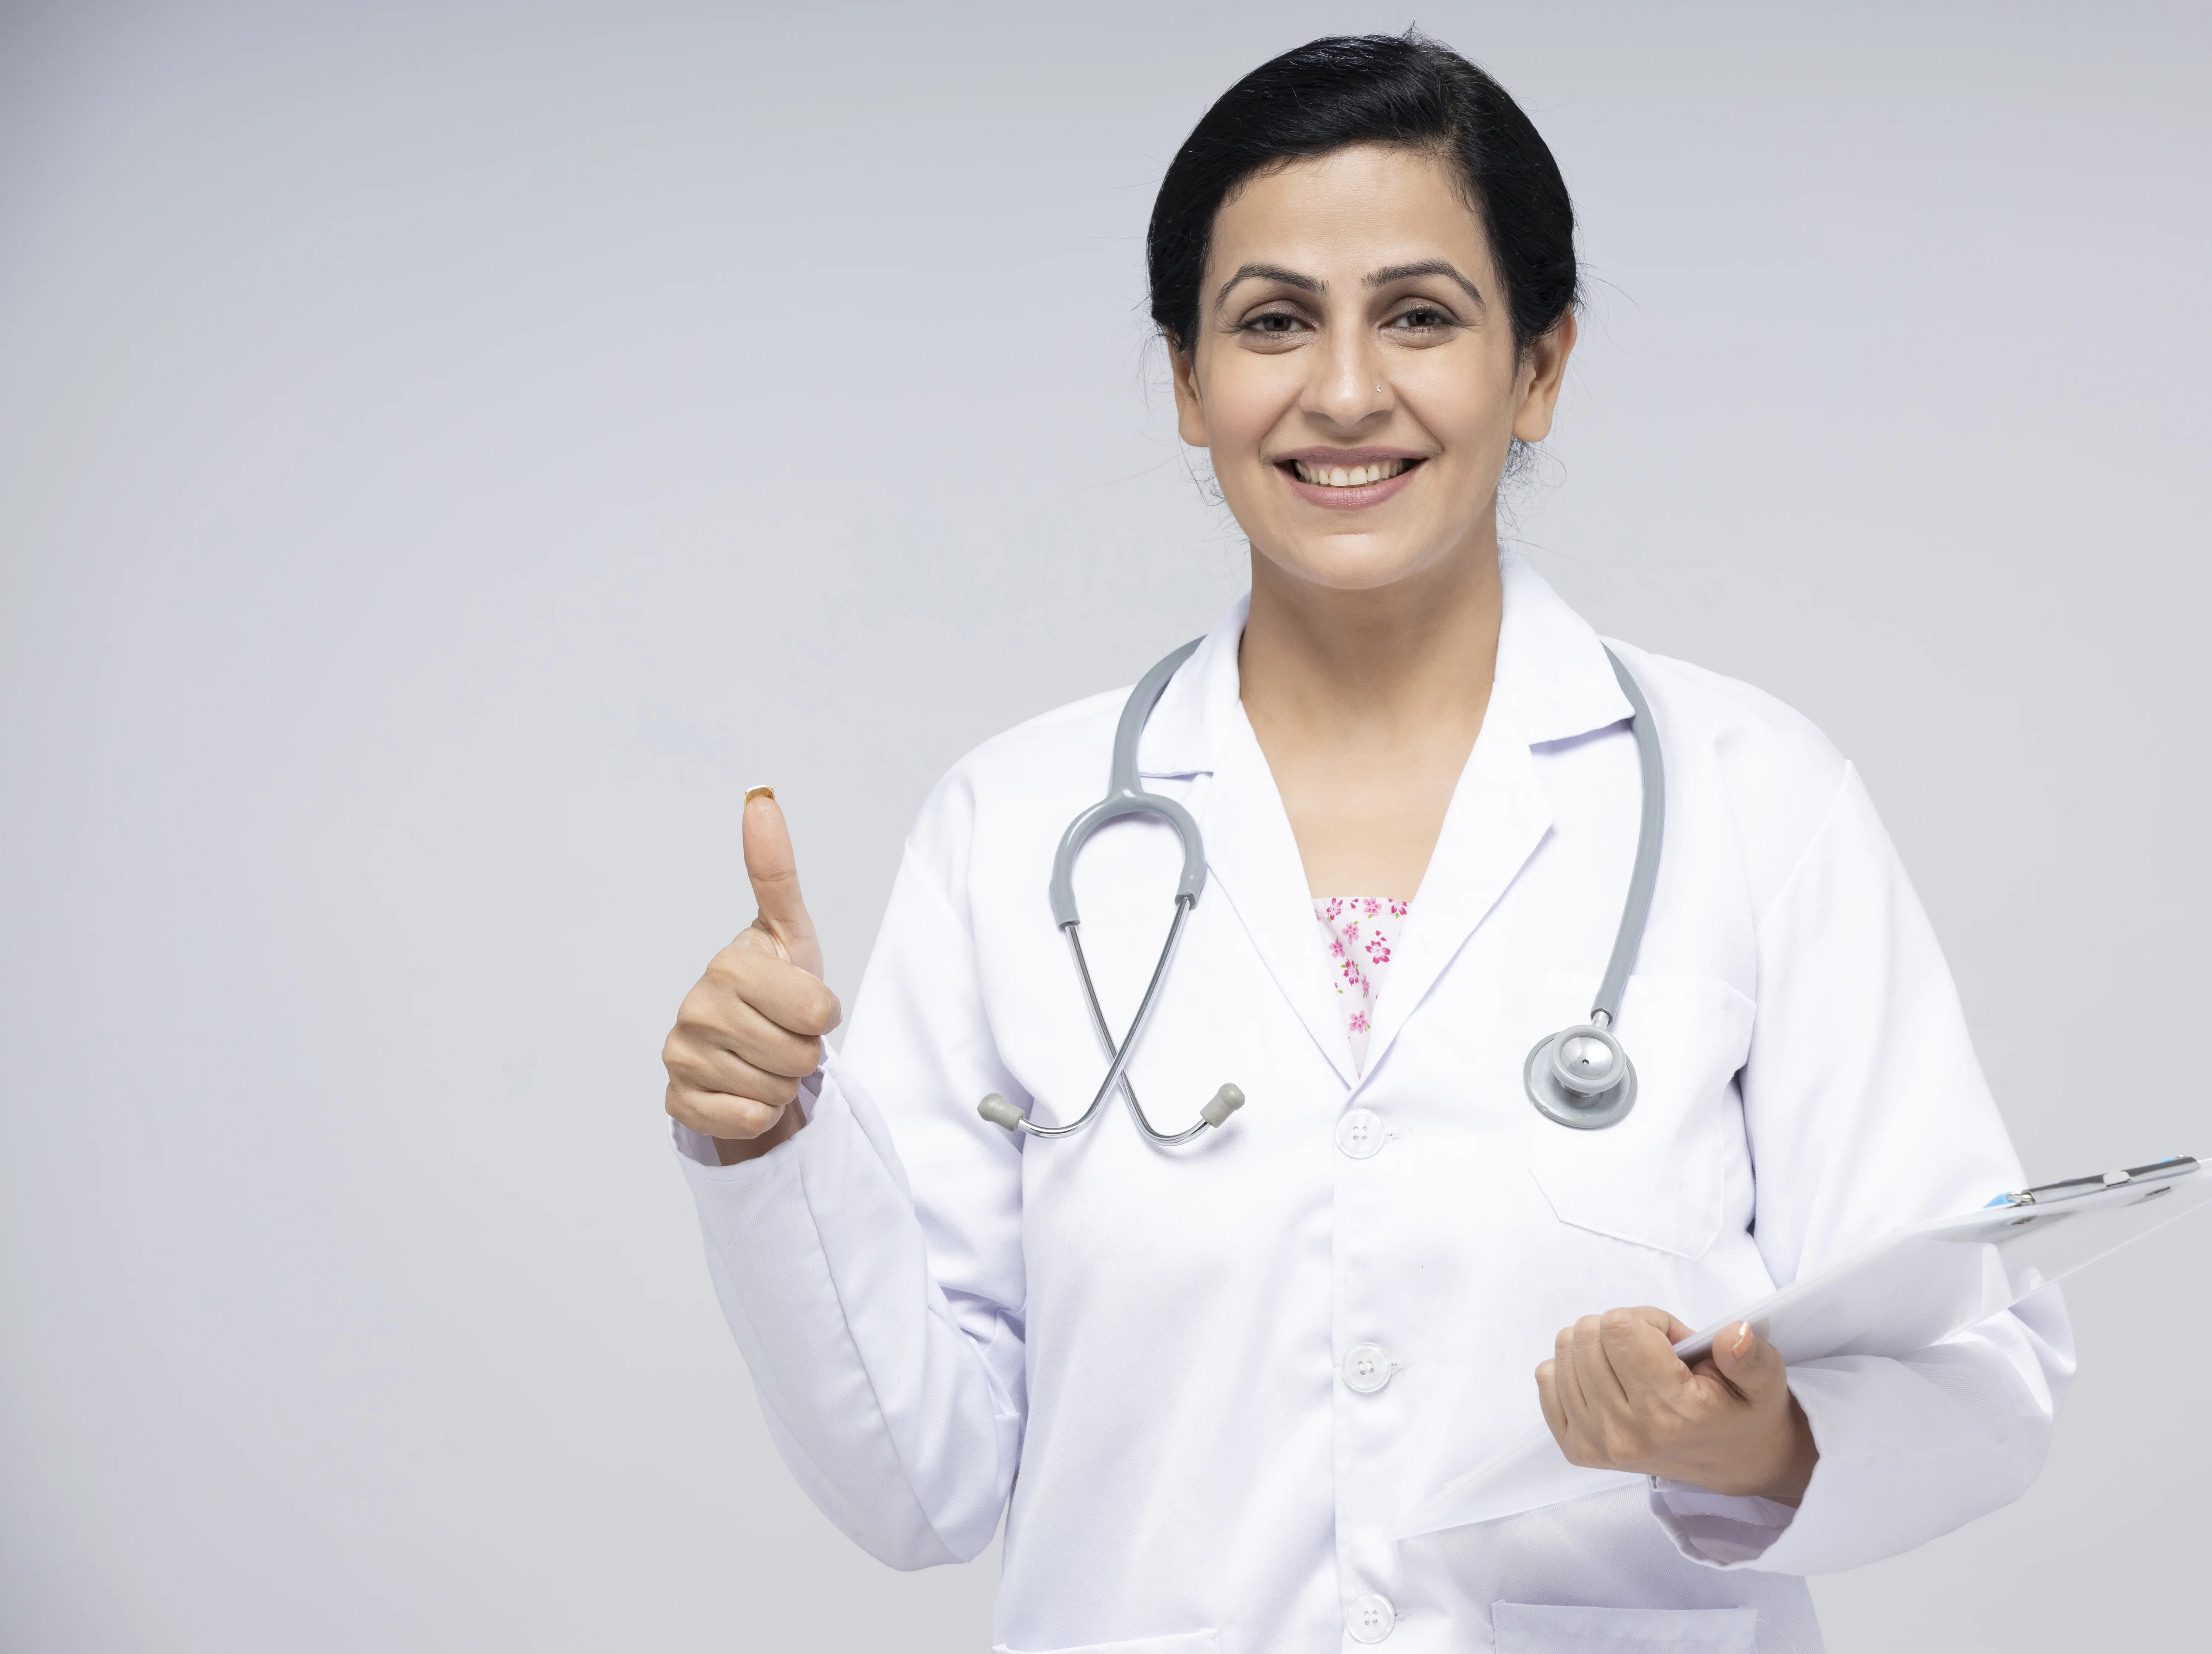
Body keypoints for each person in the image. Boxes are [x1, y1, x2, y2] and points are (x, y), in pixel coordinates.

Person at [661, 31, 2069, 1654]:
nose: (1342, 390)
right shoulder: (1015, 828)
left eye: (1419, 314)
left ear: (1539, 365)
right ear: (1188, 383)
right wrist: (767, 1144)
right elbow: (923, 1481)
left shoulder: (1762, 800)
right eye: (1271, 322)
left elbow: (1987, 1366)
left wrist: (1732, 1439)